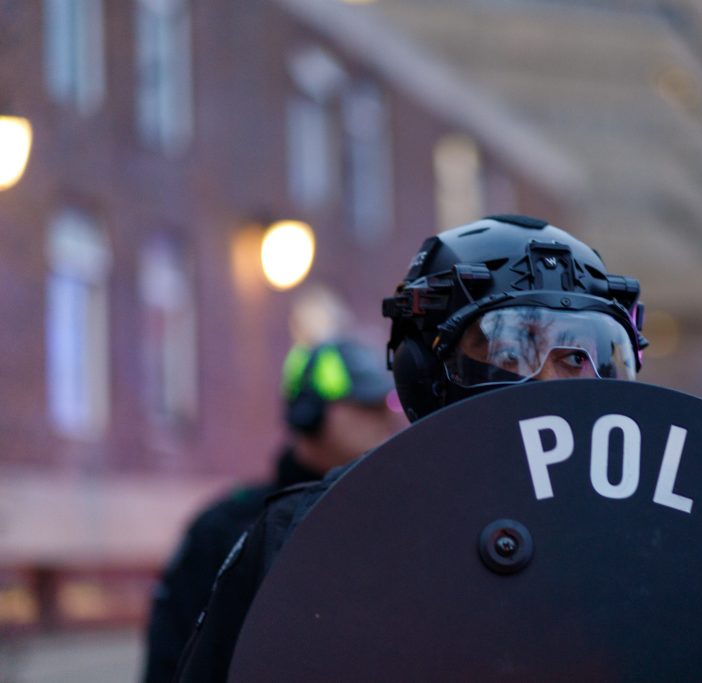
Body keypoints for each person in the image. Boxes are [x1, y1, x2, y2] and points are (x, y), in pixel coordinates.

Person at [173, 214, 648, 681]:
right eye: (509, 352)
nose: (548, 385)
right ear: (420, 372)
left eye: (573, 357)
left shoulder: (652, 524)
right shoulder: (312, 531)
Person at [143, 338, 400, 683]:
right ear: (309, 414)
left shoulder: (397, 520)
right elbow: (169, 660)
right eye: (366, 405)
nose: (385, 418)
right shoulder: (225, 529)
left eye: (387, 404)